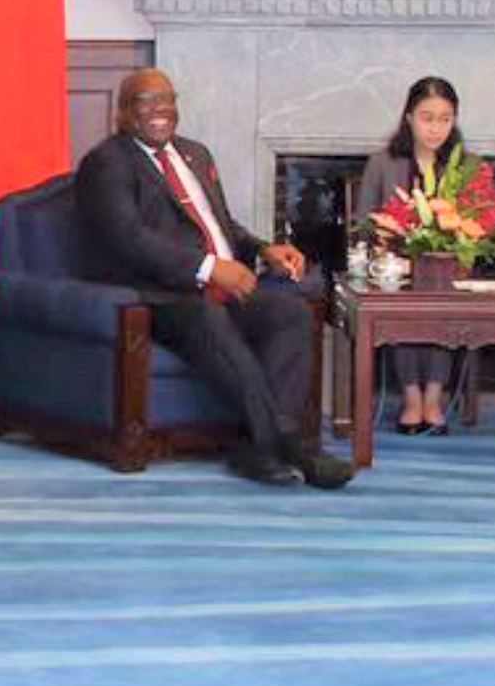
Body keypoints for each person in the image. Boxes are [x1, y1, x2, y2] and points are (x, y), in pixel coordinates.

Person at [76, 69, 353, 490]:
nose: (160, 109)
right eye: (146, 101)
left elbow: (221, 225)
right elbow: (129, 240)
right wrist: (208, 267)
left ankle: (257, 450)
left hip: (221, 288)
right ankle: (291, 444)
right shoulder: (107, 162)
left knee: (290, 313)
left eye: (167, 99)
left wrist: (263, 248)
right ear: (123, 113)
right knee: (207, 317)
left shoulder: (195, 154)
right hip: (160, 297)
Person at [358, 76, 464, 434]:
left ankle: (434, 396)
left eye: (445, 119)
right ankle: (411, 397)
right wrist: (384, 235)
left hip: (446, 270)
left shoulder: (465, 165)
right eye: (427, 118)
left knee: (442, 297)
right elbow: (363, 222)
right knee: (403, 299)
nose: (436, 128)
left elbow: (476, 220)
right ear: (409, 118)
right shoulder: (382, 163)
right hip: (396, 268)